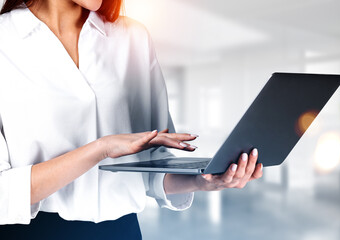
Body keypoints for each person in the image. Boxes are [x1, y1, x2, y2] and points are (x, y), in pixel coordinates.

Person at [0, 0, 263, 239]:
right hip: (35, 233)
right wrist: (101, 148)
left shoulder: (132, 37)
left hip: (122, 231)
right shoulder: (5, 41)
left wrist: (206, 180)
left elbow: (152, 169)